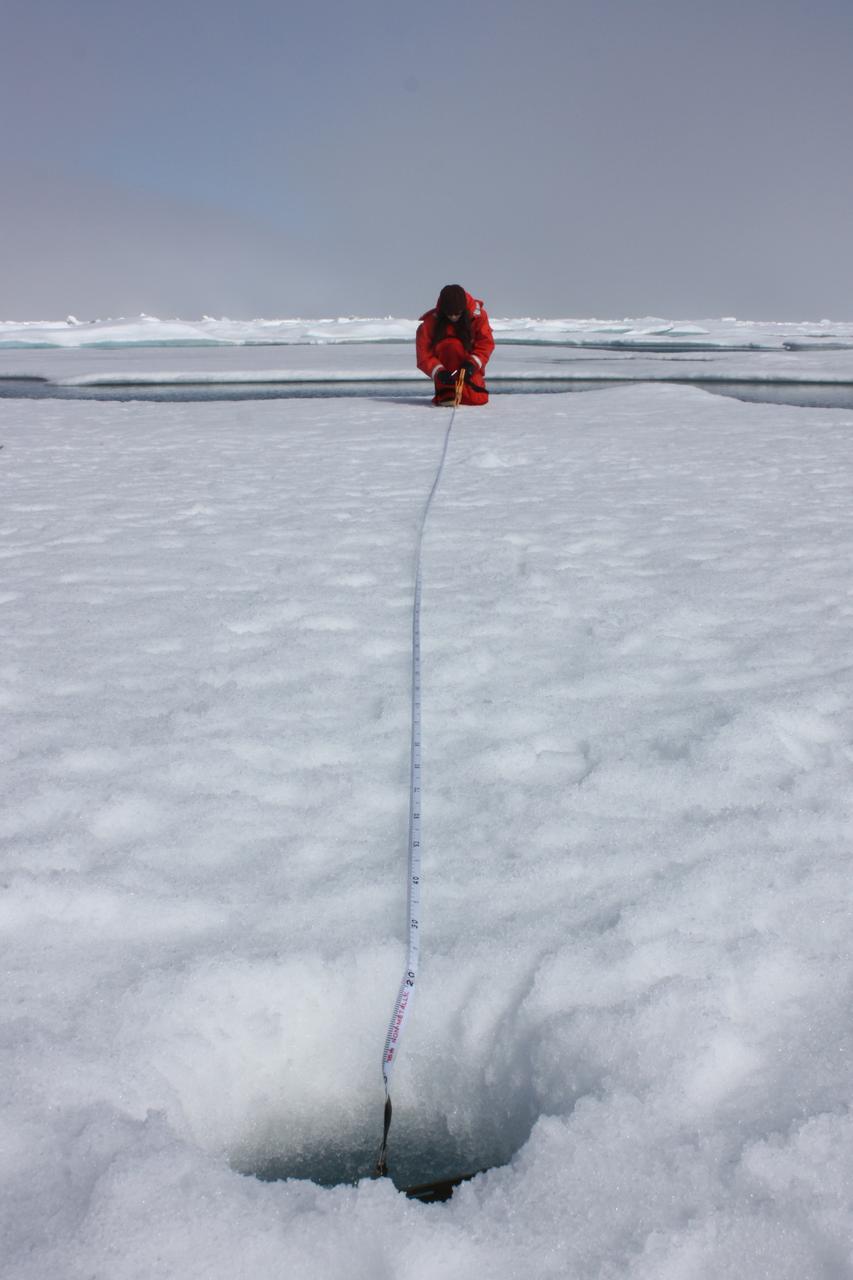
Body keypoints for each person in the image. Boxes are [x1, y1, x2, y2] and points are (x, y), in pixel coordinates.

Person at [416, 284, 495, 406]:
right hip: (445, 366)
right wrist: (439, 372)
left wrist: (472, 364)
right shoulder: (430, 323)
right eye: (449, 314)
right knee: (451, 345)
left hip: (469, 366)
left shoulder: (479, 317)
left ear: (463, 309)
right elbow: (424, 355)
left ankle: (467, 387)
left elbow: (486, 344)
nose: (453, 317)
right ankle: (446, 391)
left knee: (477, 399)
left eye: (457, 313)